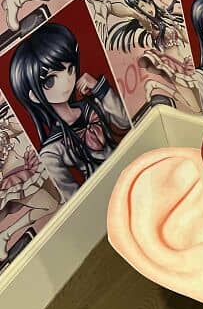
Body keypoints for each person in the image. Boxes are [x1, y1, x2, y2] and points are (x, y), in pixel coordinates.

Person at [9, 23, 131, 197]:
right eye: (50, 80)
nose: (67, 81)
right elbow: (73, 197)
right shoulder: (52, 150)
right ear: (34, 96)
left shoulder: (93, 104)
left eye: (70, 69)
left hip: (132, 166)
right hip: (105, 195)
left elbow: (125, 121)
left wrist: (100, 88)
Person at [86, 0, 202, 114]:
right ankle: (156, 85)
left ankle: (154, 84)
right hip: (173, 67)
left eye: (147, 2)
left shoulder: (164, 14)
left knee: (202, 102)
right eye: (142, 7)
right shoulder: (147, 23)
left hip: (186, 62)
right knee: (196, 108)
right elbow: (129, 12)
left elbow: (183, 35)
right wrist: (107, 7)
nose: (148, 8)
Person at [0, 108, 61, 261]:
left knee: (58, 199)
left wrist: (7, 122)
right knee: (51, 205)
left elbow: (18, 128)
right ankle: (6, 235)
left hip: (28, 164)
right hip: (15, 176)